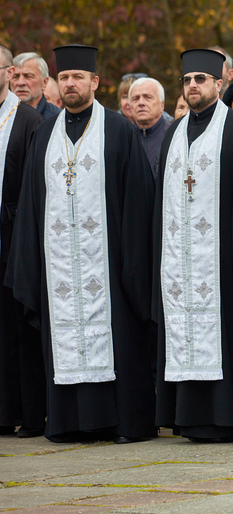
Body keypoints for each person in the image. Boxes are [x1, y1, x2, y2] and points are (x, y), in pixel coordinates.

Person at [5, 44, 157, 443]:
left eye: (78, 77)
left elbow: (139, 202)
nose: (70, 84)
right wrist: (30, 263)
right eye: (65, 78)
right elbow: (32, 203)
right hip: (58, 268)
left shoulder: (118, 129)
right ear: (57, 83)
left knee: (119, 339)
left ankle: (123, 423)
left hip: (109, 264)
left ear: (95, 82)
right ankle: (69, 422)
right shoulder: (44, 133)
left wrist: (132, 263)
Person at [153, 48, 233, 443]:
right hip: (180, 259)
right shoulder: (174, 131)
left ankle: (231, 420)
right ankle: (189, 419)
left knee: (227, 336)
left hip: (225, 258)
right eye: (186, 81)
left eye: (200, 79)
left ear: (218, 84)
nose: (192, 87)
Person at [0, 45, 46, 438]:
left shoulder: (29, 120)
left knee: (18, 328)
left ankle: (26, 412)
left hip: (14, 234)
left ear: (9, 72)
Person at [129, 76, 171, 176]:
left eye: (148, 97)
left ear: (162, 105)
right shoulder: (122, 138)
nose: (141, 103)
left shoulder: (173, 136)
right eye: (135, 99)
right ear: (130, 107)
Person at [11, 53, 61, 120]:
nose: (20, 83)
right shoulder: (3, 114)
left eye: (28, 76)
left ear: (44, 82)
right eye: (15, 77)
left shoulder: (58, 118)